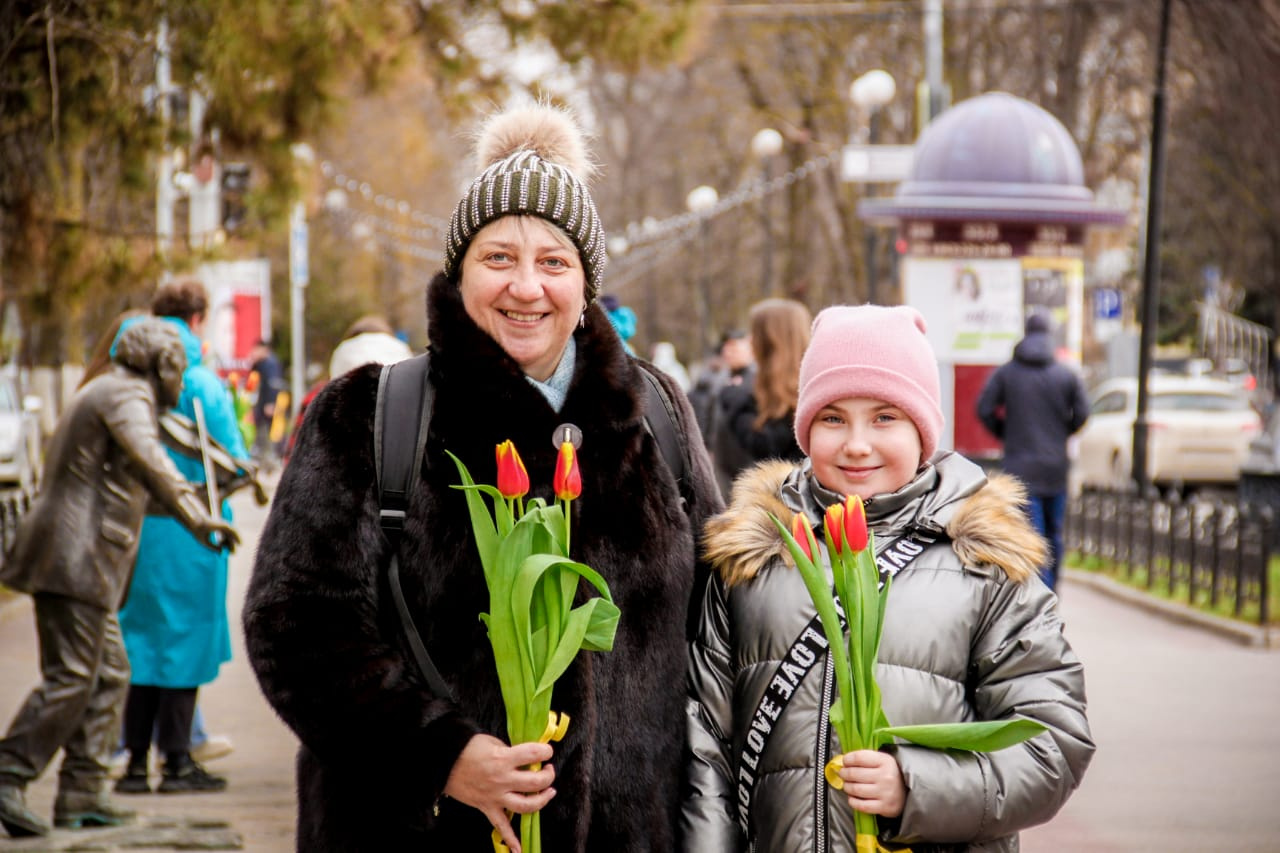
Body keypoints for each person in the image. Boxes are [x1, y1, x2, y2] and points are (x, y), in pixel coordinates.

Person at [243, 103, 721, 852]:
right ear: (460, 271)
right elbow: (294, 627)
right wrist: (441, 756)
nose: (526, 288)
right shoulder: (371, 417)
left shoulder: (655, 415)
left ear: (586, 282)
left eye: (554, 262)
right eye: (498, 257)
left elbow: (717, 623)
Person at [683, 305, 1093, 851]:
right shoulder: (752, 555)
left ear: (923, 430)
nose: (856, 443)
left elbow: (1051, 742)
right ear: (805, 428)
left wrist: (915, 787)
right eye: (832, 418)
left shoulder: (985, 562)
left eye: (884, 418)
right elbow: (704, 741)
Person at [0, 319, 239, 839]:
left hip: (82, 559)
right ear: (166, 364)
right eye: (181, 367)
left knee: (109, 675)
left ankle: (83, 792)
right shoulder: (125, 394)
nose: (184, 380)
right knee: (72, 677)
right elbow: (151, 463)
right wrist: (199, 516)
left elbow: (134, 492)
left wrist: (199, 508)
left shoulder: (114, 392)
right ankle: (8, 775)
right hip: (72, 557)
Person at [113, 280, 252, 796]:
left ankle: (131, 766)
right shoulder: (201, 382)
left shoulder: (123, 378)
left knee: (141, 643)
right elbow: (234, 459)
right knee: (184, 643)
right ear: (196, 320)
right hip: (194, 528)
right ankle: (176, 762)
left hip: (134, 528)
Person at [976, 311, 1090, 591]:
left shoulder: (1006, 373)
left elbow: (984, 409)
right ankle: (1051, 594)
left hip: (1020, 467)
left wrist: (1005, 432)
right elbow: (1084, 412)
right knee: (1055, 534)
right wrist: (1063, 432)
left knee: (1031, 534)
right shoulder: (1066, 374)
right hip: (1056, 468)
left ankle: (1039, 598)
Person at [710, 298, 810, 498]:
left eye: (754, 333)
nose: (750, 341)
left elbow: (767, 446)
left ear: (770, 340)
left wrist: (735, 402)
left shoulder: (802, 388)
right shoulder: (775, 384)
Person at [248, 339, 285, 469]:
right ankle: (265, 458)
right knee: (263, 431)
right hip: (262, 403)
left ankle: (274, 458)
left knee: (272, 432)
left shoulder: (270, 364)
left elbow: (273, 383)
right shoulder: (261, 363)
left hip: (269, 403)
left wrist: (271, 402)